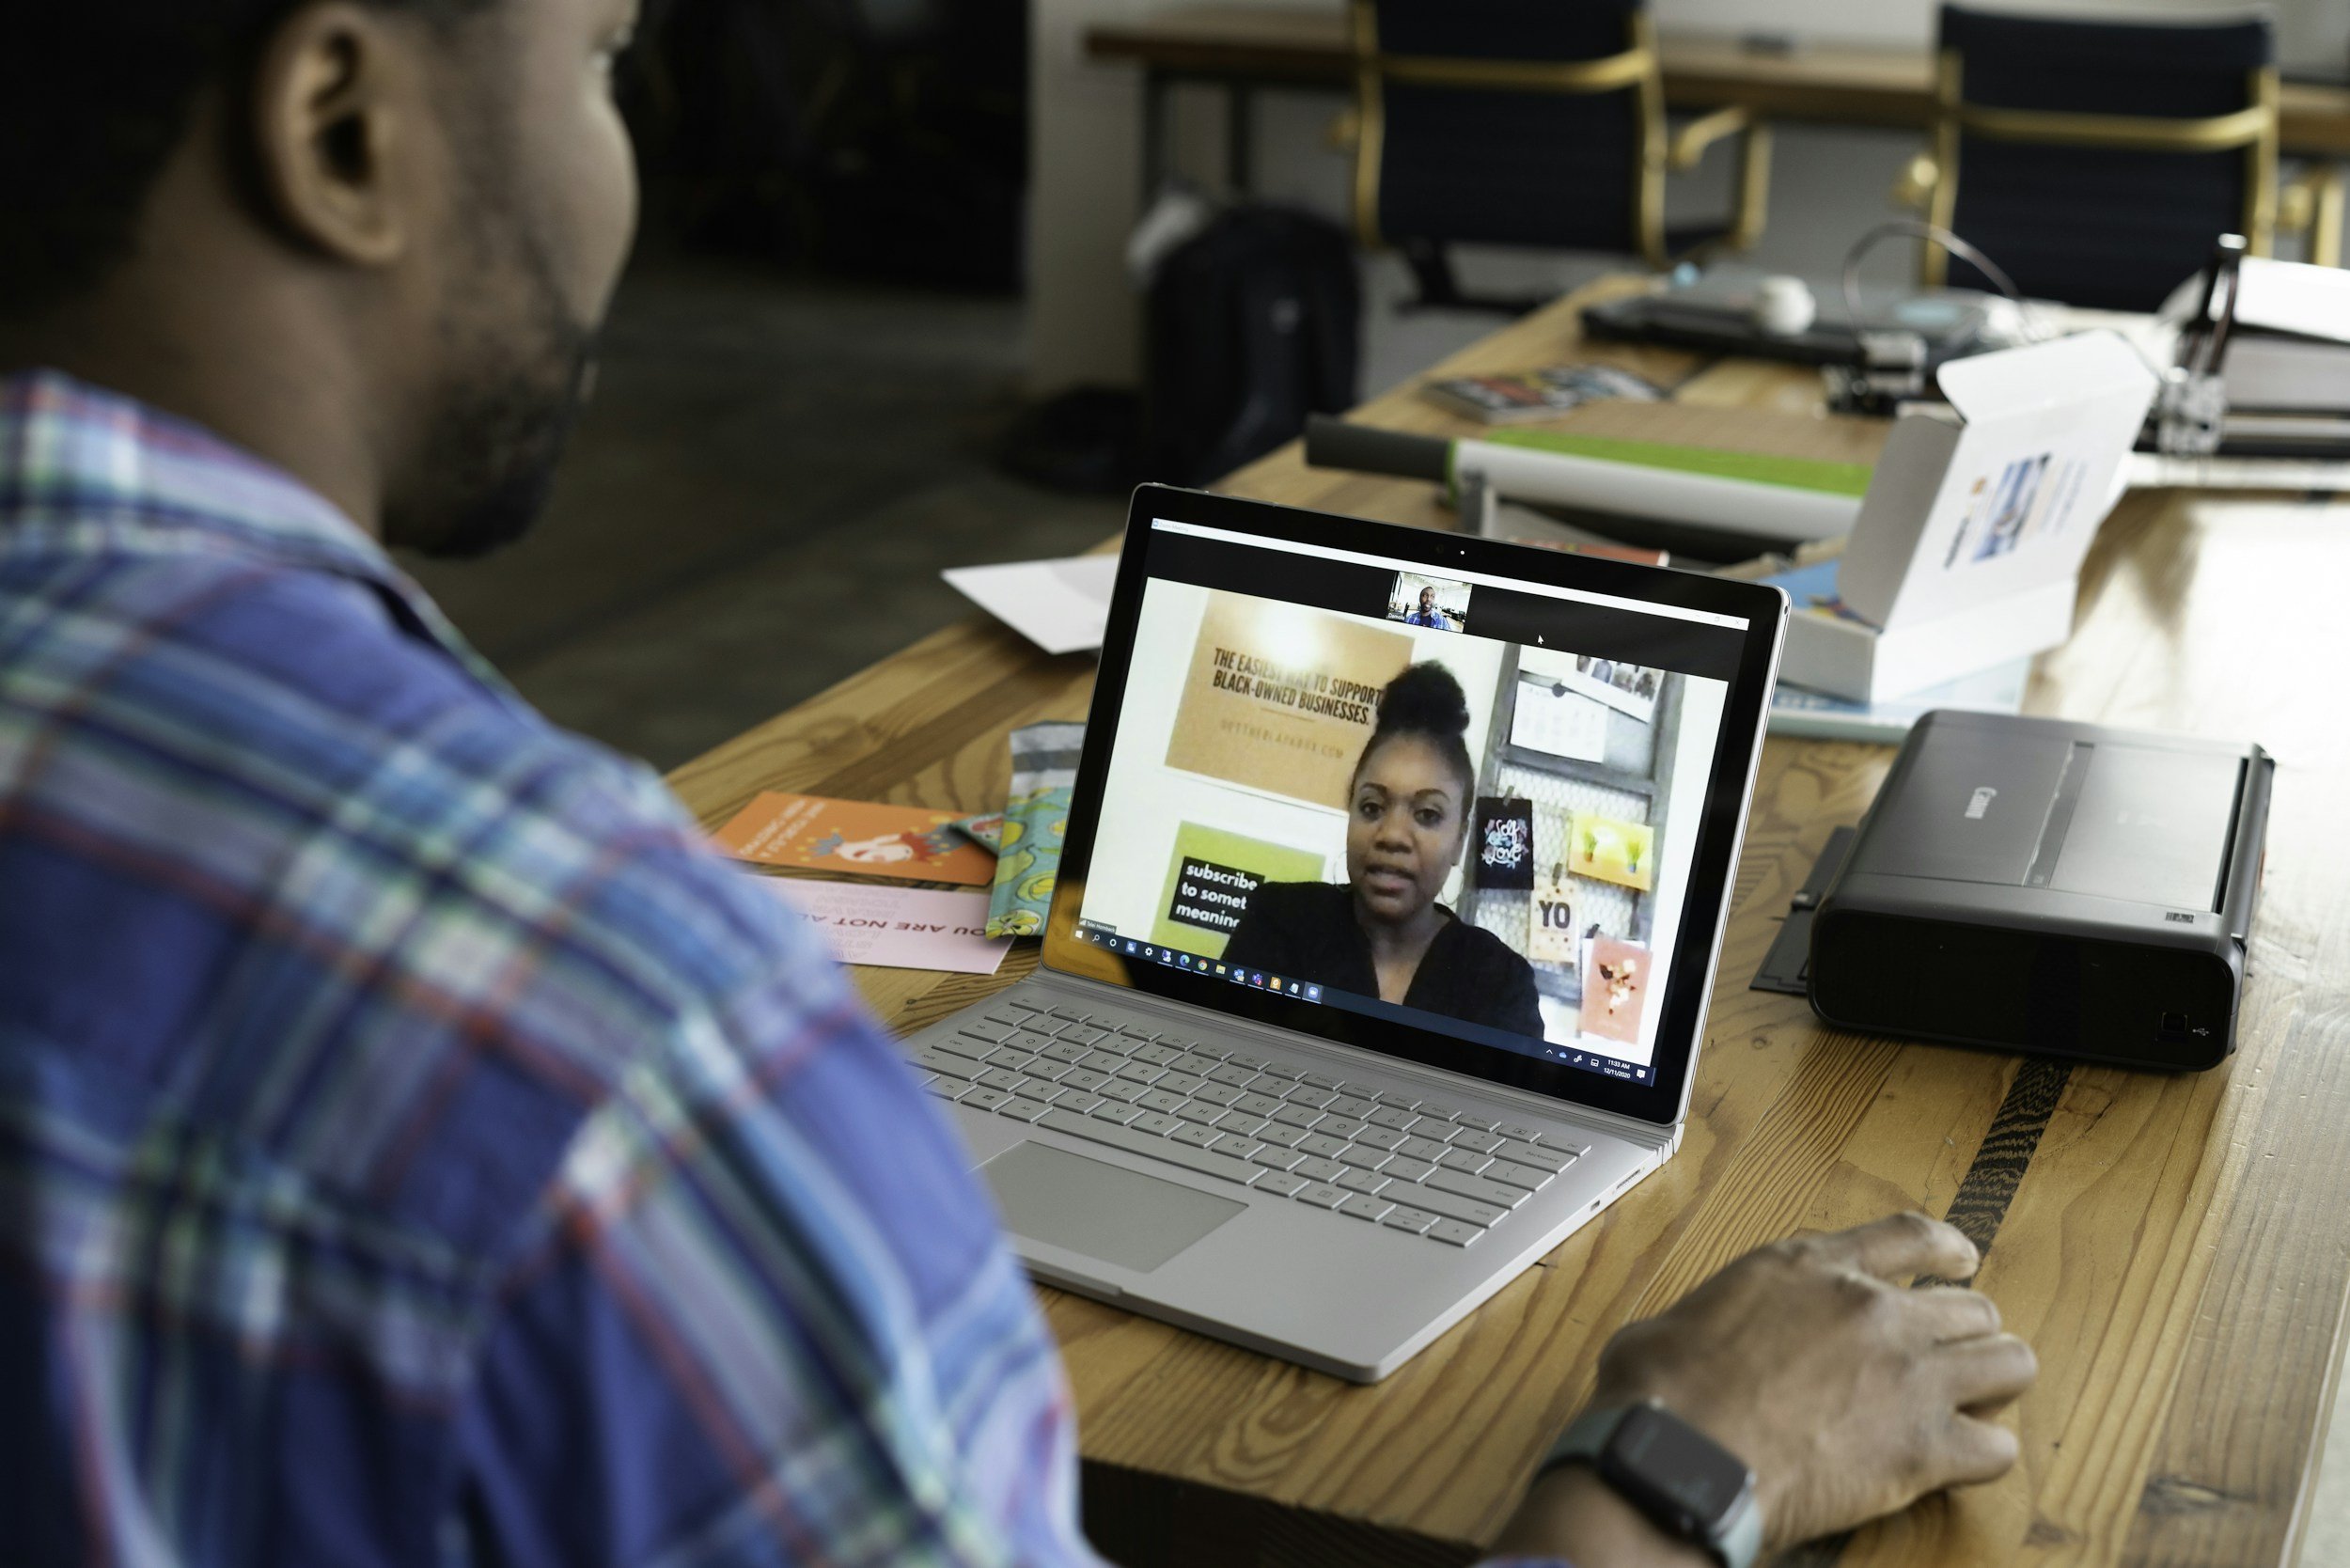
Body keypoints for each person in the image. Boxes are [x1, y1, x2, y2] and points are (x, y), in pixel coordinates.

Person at [0, 2, 2035, 1563]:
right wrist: (1678, 1466)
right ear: (343, 126)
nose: (623, 169)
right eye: (607, 57)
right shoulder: (599, 1037)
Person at [1225, 664, 1546, 1038]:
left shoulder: (1501, 984)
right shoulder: (1278, 923)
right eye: (1372, 808)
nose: (1392, 835)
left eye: (1427, 814)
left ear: (1460, 839)